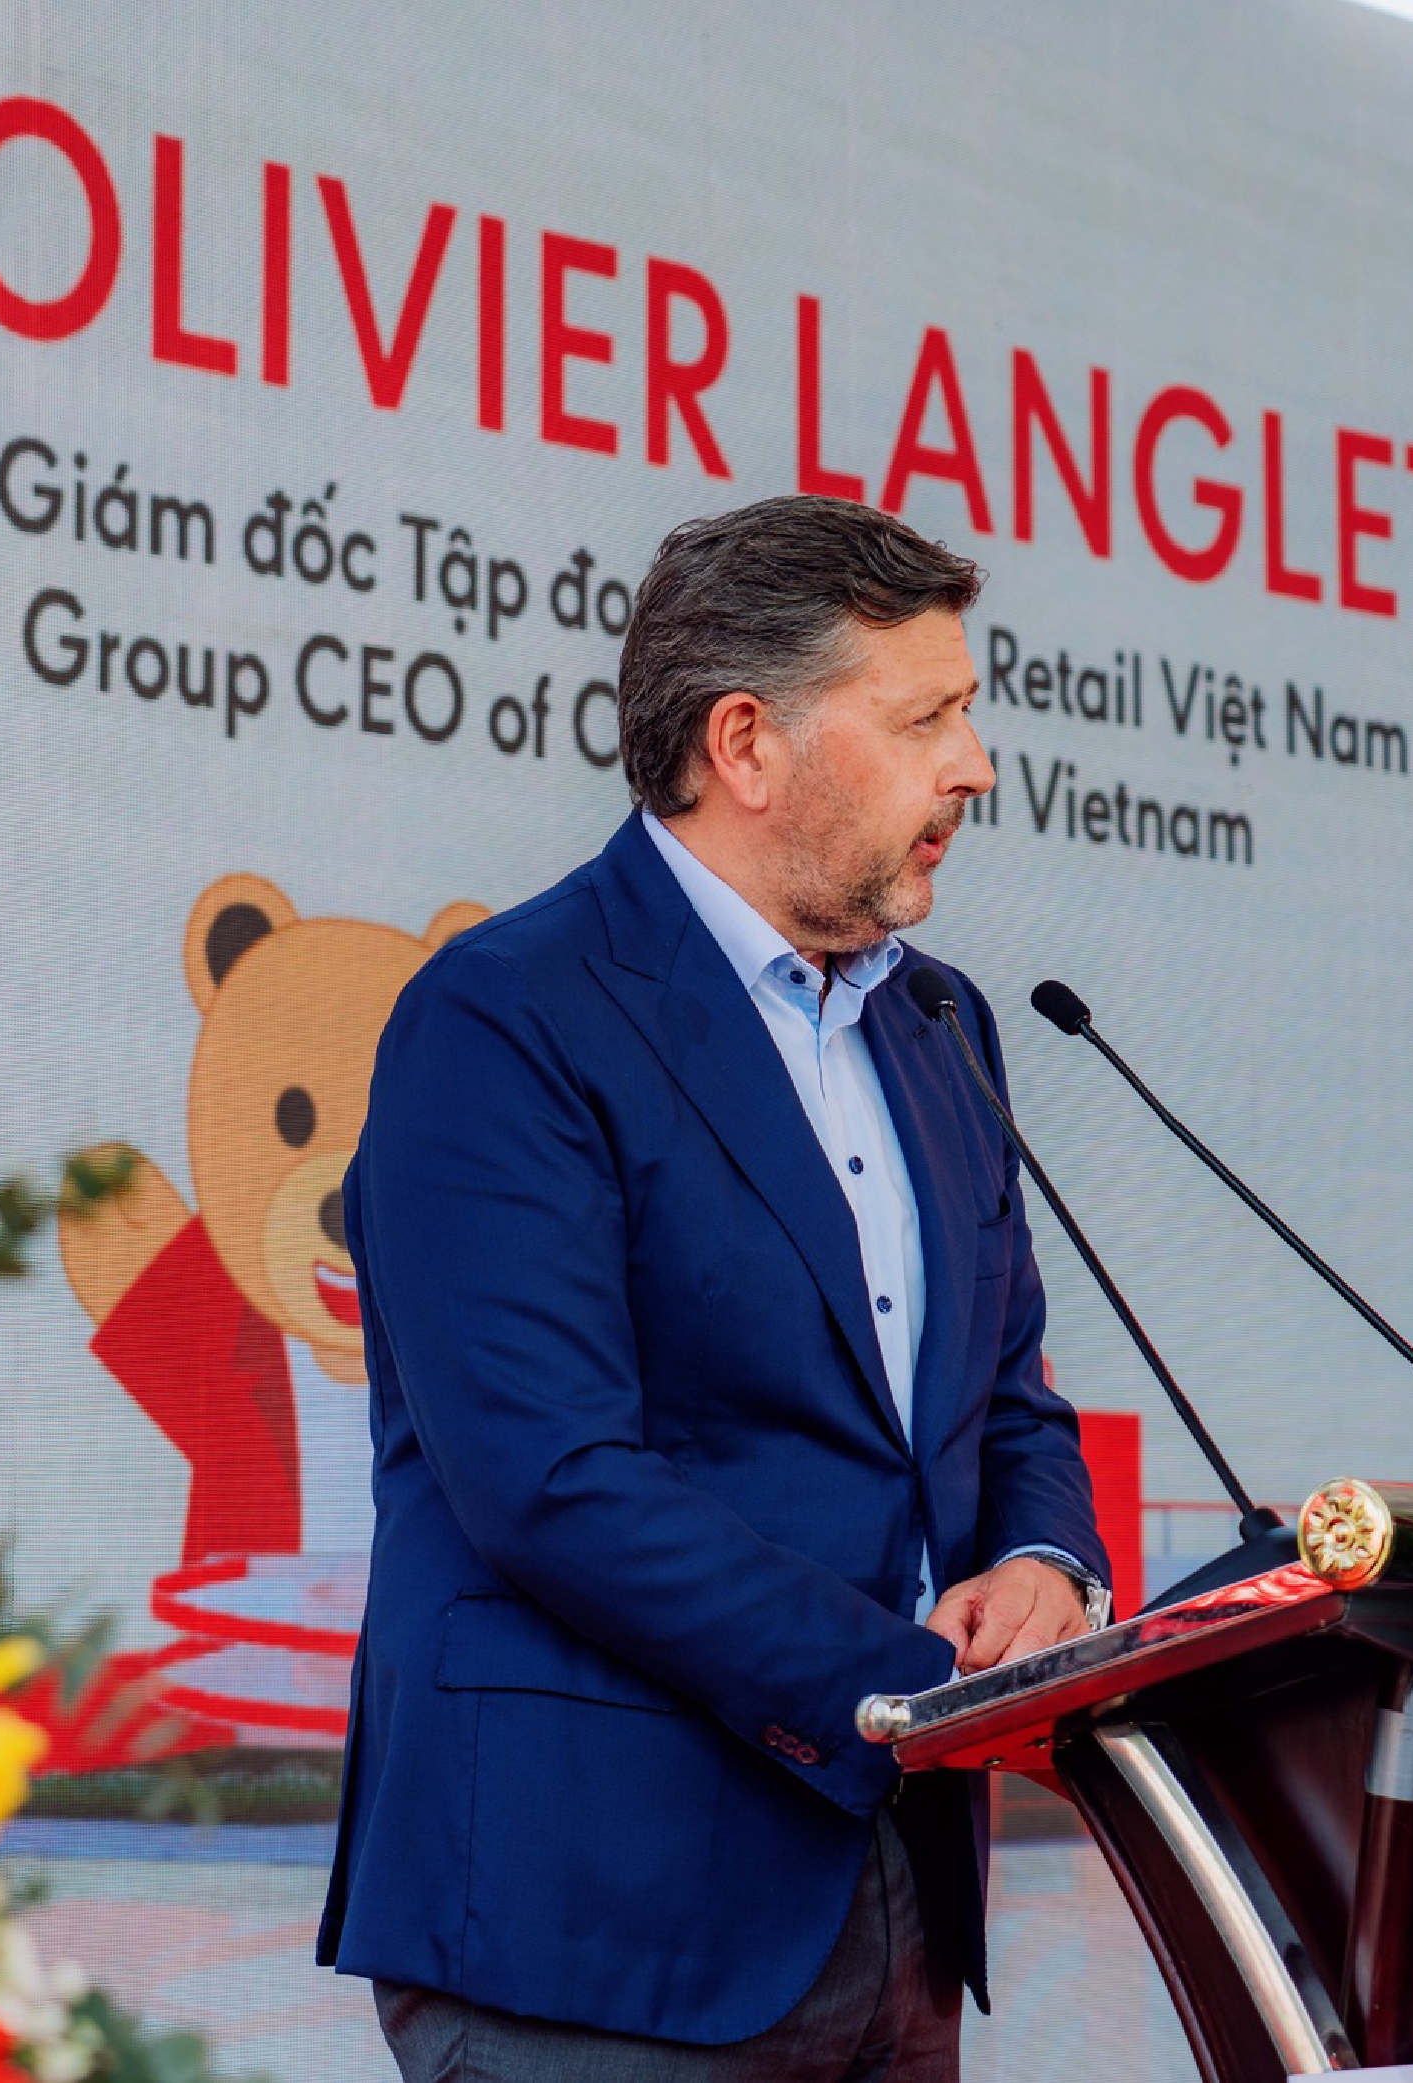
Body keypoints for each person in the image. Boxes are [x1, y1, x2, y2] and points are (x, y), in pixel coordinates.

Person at [317, 496, 1110, 2082]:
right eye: (927, 720)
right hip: (596, 1923)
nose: (976, 765)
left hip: (897, 1903)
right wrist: (912, 1692)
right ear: (746, 744)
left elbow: (1001, 1399)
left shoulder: (943, 1025)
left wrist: (1046, 1568)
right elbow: (551, 1478)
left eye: (968, 713)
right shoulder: (505, 1018)